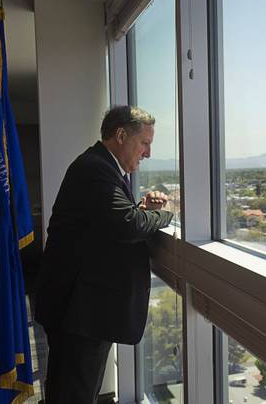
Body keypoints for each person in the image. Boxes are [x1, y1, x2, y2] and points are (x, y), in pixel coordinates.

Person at [34, 105, 173, 403]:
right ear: (121, 135)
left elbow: (107, 224)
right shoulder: (94, 168)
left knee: (73, 390)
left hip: (80, 308)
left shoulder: (100, 166)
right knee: (74, 394)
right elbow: (128, 225)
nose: (148, 153)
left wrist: (144, 209)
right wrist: (166, 215)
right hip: (78, 313)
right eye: (145, 143)